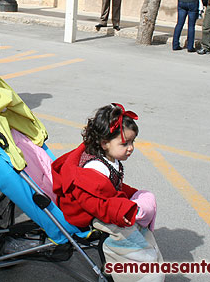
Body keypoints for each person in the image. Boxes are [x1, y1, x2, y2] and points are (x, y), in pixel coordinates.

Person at [52, 104, 163, 281]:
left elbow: (111, 188)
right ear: (104, 143)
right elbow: (92, 202)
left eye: (133, 142)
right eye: (125, 143)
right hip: (86, 214)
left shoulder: (110, 159)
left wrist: (131, 195)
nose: (131, 147)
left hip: (101, 205)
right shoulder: (93, 169)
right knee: (124, 235)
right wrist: (121, 210)